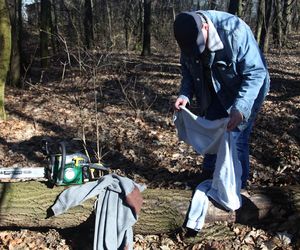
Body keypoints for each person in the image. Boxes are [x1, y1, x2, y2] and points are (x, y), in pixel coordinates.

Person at [173, 10, 270, 188]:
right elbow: (188, 72)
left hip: (245, 90)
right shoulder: (187, 37)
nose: (195, 52)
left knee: (236, 140)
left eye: (199, 46)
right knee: (212, 135)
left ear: (206, 26)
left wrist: (240, 107)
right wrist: (185, 94)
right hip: (212, 92)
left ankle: (236, 188)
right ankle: (209, 178)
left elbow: (256, 73)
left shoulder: (235, 31)